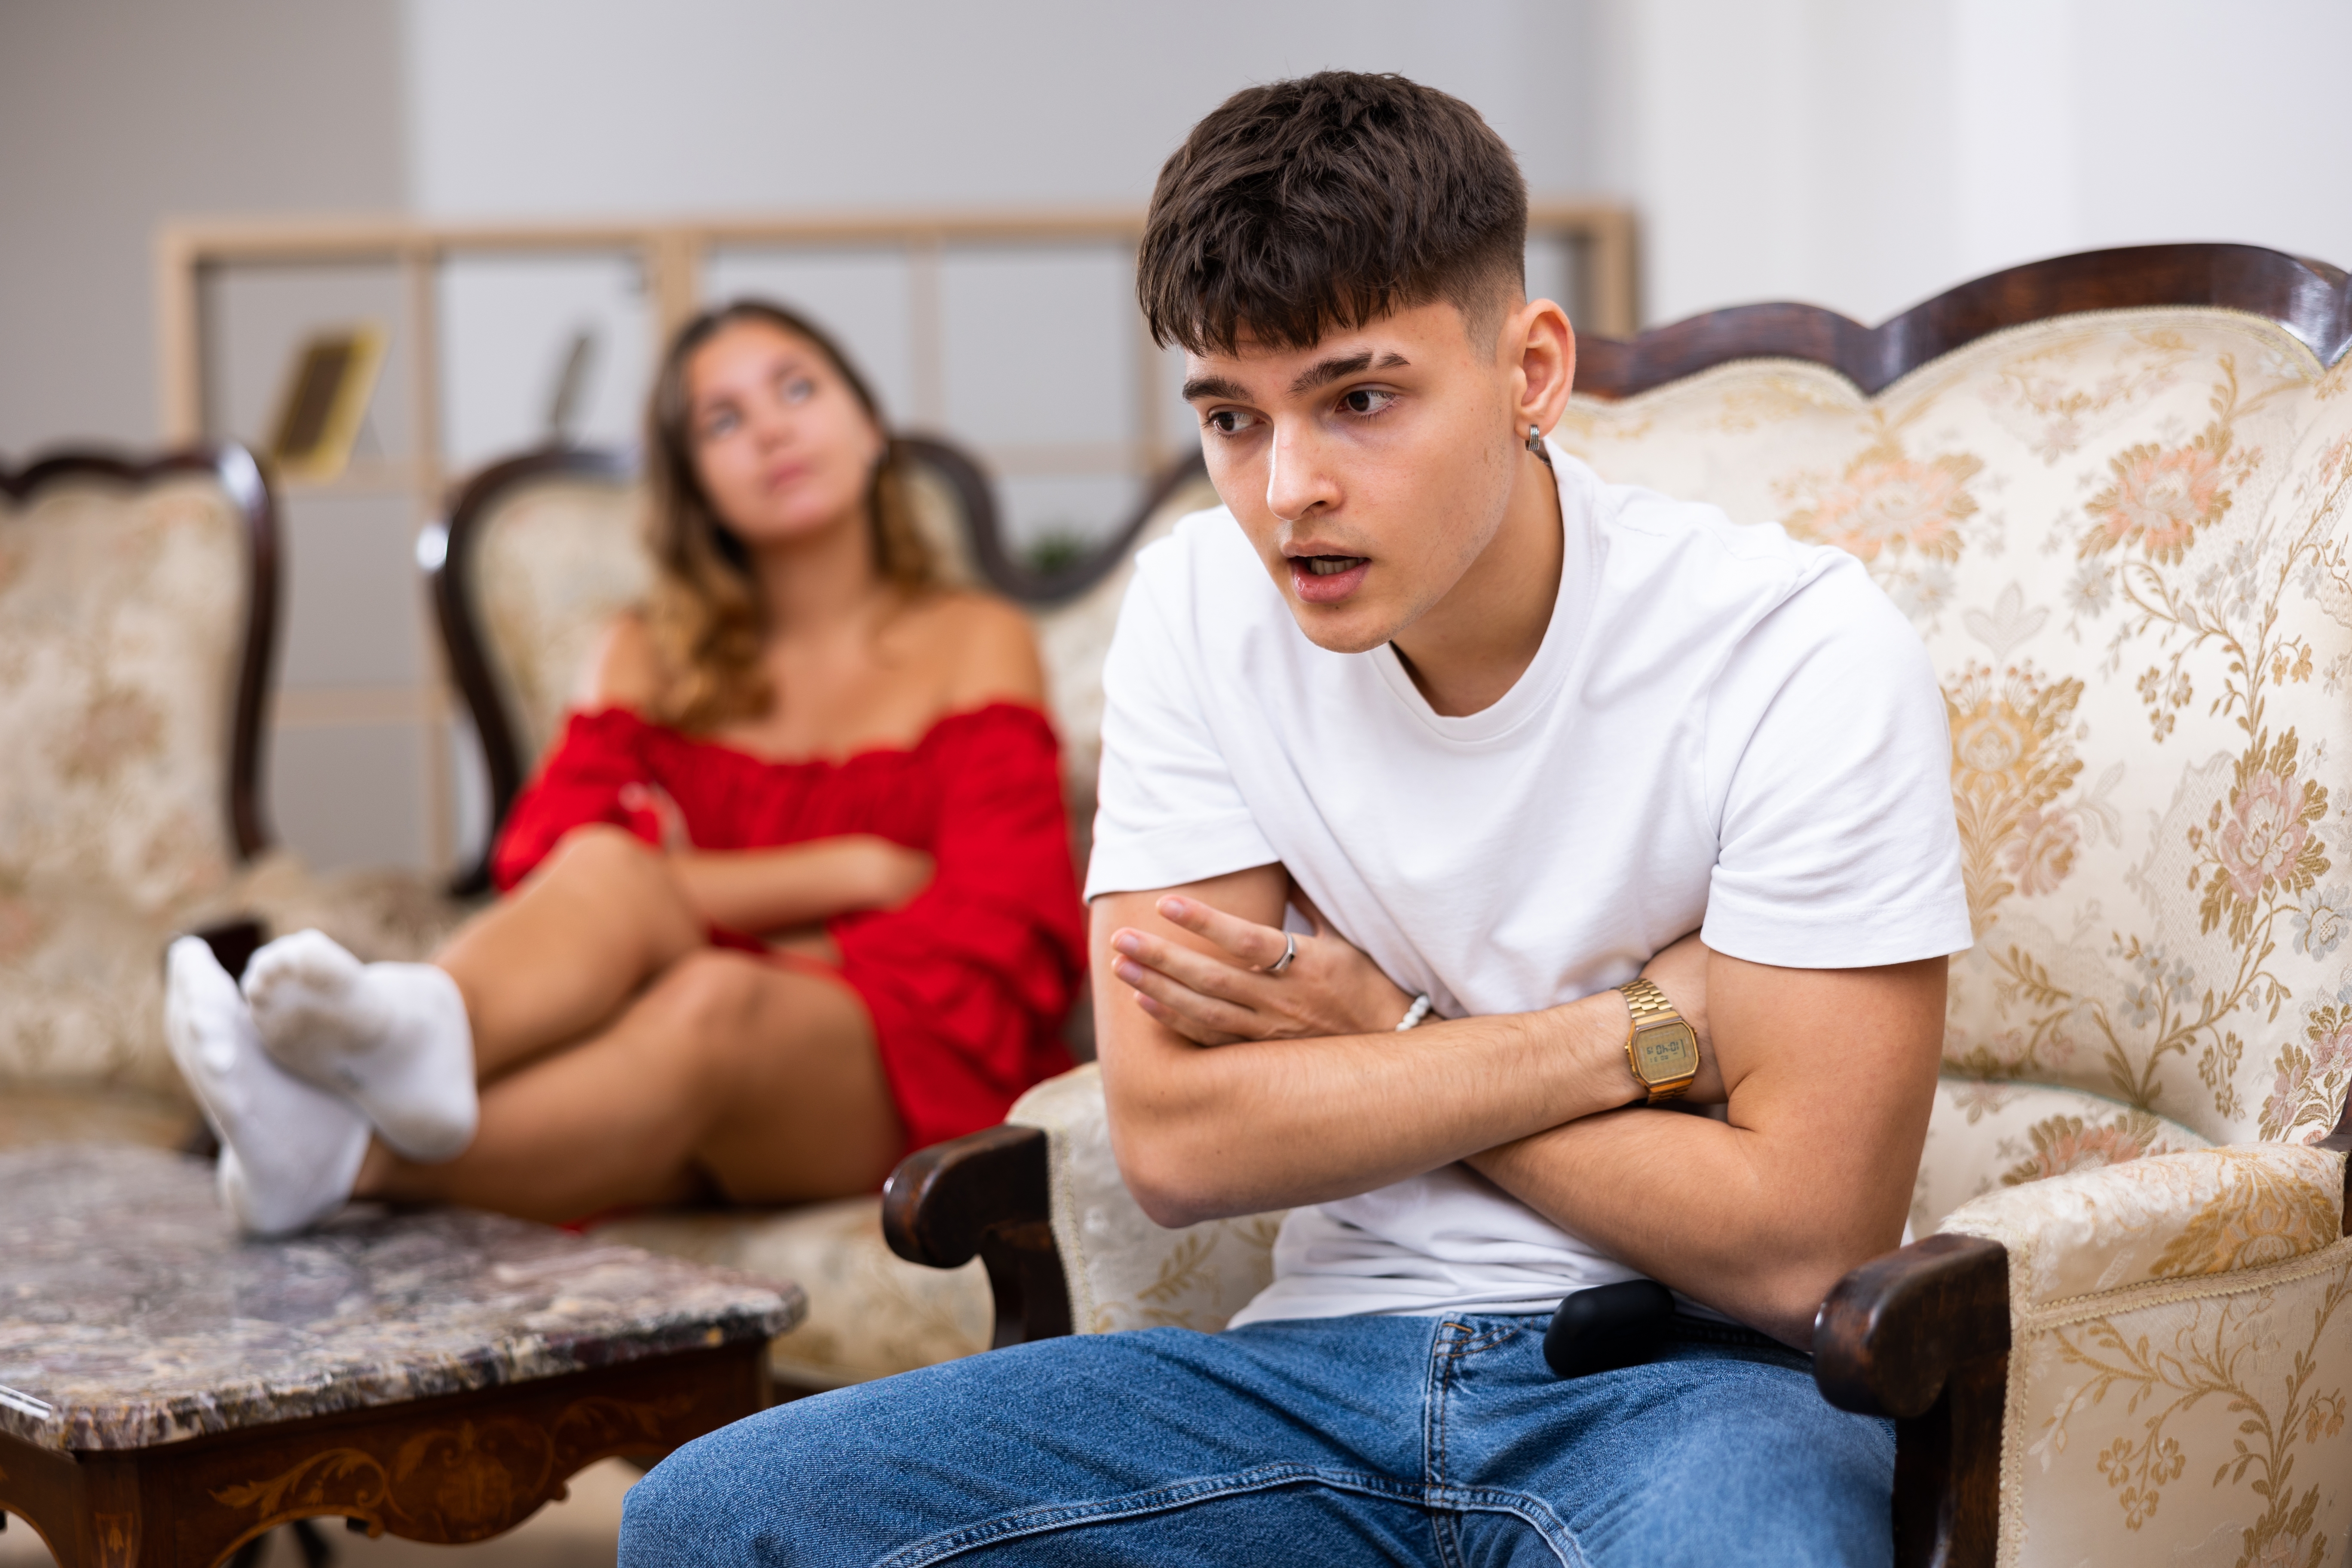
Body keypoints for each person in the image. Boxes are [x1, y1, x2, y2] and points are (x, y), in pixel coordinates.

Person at [620, 72, 1968, 1568]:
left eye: (1359, 397)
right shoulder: (1200, 607)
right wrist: (1634, 1029)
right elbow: (1180, 1138)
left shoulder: (1791, 647)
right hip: (1306, 1382)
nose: (1288, 492)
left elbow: (1800, 1241)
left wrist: (1378, 1039)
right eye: (1230, 417)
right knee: (711, 1516)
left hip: (1690, 1383)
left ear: (1531, 370)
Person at [165, 300, 1087, 1234]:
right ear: (697, 484)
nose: (770, 429)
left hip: (912, 1052)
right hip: (665, 1050)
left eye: (798, 390)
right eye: (724, 421)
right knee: (616, 880)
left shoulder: (978, 639)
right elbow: (555, 873)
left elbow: (1002, 928)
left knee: (709, 992)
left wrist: (691, 908)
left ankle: (344, 1140)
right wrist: (855, 871)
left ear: (869, 427)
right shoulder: (645, 653)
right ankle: (396, 1065)